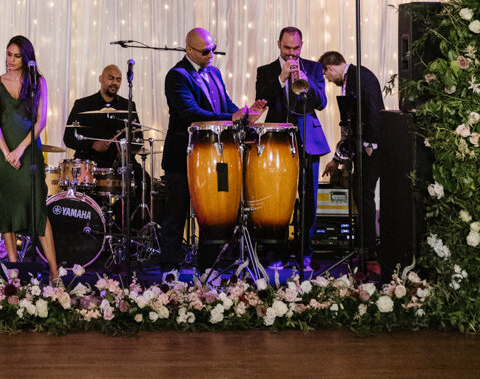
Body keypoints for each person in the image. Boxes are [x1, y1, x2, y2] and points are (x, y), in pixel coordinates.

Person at [160, 28, 264, 273]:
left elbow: (225, 105)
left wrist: (246, 116)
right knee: (176, 215)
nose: (211, 55)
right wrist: (232, 116)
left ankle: (208, 268)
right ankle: (169, 269)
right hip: (182, 157)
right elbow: (191, 114)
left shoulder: (214, 72)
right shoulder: (177, 76)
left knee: (214, 215)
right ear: (189, 50)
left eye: (213, 49)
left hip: (214, 155)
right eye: (205, 51)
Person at [0, 37, 59, 281]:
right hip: (1, 155)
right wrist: (7, 152)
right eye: (8, 54)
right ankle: (14, 269)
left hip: (28, 153)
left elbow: (41, 121)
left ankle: (53, 271)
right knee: (6, 210)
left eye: (16, 56)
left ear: (26, 57)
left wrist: (18, 151)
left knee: (38, 211)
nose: (10, 60)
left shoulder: (39, 82)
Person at [255, 26, 330, 256]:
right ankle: (275, 251)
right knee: (276, 197)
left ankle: (304, 251)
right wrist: (281, 78)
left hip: (308, 139)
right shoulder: (266, 70)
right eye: (287, 48)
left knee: (309, 198)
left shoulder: (314, 67)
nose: (291, 54)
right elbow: (262, 99)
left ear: (302, 45)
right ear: (279, 44)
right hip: (277, 141)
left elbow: (321, 103)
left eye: (296, 48)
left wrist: (305, 80)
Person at [318, 49, 385, 261]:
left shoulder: (360, 77)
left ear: (329, 67)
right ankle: (363, 244)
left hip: (369, 147)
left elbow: (373, 112)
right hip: (361, 146)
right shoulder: (351, 78)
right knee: (360, 193)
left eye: (326, 75)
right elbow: (349, 123)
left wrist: (370, 144)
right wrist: (338, 158)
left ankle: (368, 247)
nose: (328, 80)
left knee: (364, 194)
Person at [64, 64, 143, 169]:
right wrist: (92, 145)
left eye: (118, 80)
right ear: (101, 79)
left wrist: (127, 154)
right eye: (111, 78)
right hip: (89, 164)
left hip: (119, 164)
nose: (114, 82)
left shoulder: (128, 105)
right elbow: (68, 138)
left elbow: (138, 138)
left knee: (146, 181)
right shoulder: (82, 104)